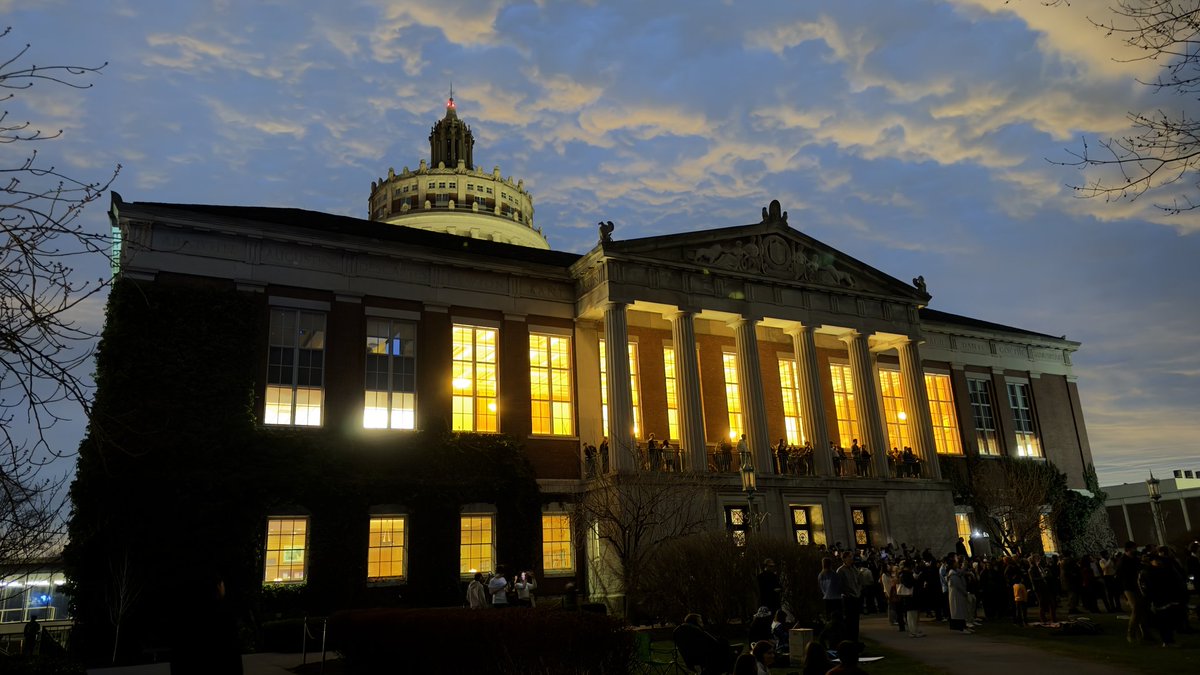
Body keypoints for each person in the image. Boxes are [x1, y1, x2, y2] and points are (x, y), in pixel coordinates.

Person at [1116, 541, 1145, 641]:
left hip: (1136, 586)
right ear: (1128, 549)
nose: (1135, 550)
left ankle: (1141, 634)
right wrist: (1124, 595)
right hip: (1128, 588)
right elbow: (1119, 578)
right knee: (1136, 610)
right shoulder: (1123, 561)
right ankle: (1131, 633)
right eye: (1134, 548)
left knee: (1140, 610)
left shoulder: (1135, 560)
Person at [836, 551, 863, 642]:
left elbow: (858, 581)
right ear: (844, 558)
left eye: (852, 557)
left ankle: (855, 639)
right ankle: (849, 639)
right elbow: (840, 585)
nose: (851, 559)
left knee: (856, 620)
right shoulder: (841, 570)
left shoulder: (854, 569)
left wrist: (859, 590)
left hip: (856, 596)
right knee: (849, 621)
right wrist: (847, 593)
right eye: (849, 557)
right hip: (848, 598)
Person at [946, 558, 972, 633]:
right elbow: (958, 586)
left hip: (959, 595)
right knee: (959, 611)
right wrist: (965, 592)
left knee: (962, 611)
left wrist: (965, 566)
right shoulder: (952, 575)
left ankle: (964, 626)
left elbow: (961, 572)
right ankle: (961, 628)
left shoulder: (955, 572)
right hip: (956, 595)